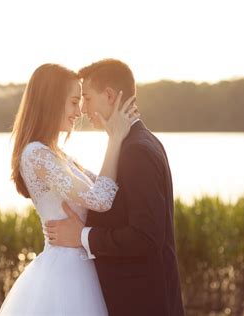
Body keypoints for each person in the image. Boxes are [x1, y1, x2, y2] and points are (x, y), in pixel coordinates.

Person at [44, 59, 185, 316]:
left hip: (143, 303)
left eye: (86, 98)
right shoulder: (136, 142)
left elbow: (146, 237)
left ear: (109, 96)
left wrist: (82, 237)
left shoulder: (137, 150)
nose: (83, 109)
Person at [0, 63, 139, 315]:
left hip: (80, 266)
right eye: (74, 102)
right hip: (64, 275)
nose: (80, 111)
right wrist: (115, 139)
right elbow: (101, 198)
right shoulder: (36, 155)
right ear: (52, 102)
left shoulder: (58, 155)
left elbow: (105, 187)